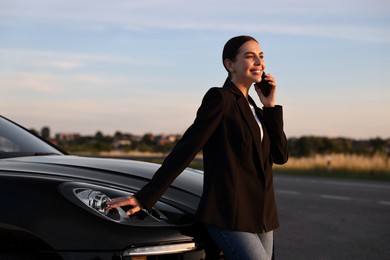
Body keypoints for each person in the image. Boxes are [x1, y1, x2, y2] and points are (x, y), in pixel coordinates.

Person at [106, 35, 289, 260]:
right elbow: (186, 149)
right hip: (229, 215)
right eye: (250, 57)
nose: (259, 63)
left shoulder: (255, 108)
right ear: (229, 64)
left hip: (262, 215)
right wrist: (145, 197)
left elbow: (280, 156)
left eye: (261, 57)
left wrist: (270, 107)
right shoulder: (220, 98)